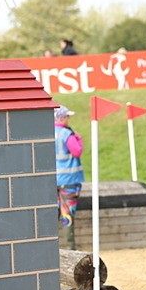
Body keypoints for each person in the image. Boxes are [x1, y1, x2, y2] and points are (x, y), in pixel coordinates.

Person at [55, 105, 85, 248]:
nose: (69, 118)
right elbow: (77, 151)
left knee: (52, 214)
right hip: (69, 180)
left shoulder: (46, 132)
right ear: (61, 117)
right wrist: (79, 139)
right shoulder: (67, 134)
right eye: (67, 116)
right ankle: (70, 247)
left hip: (51, 180)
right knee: (67, 214)